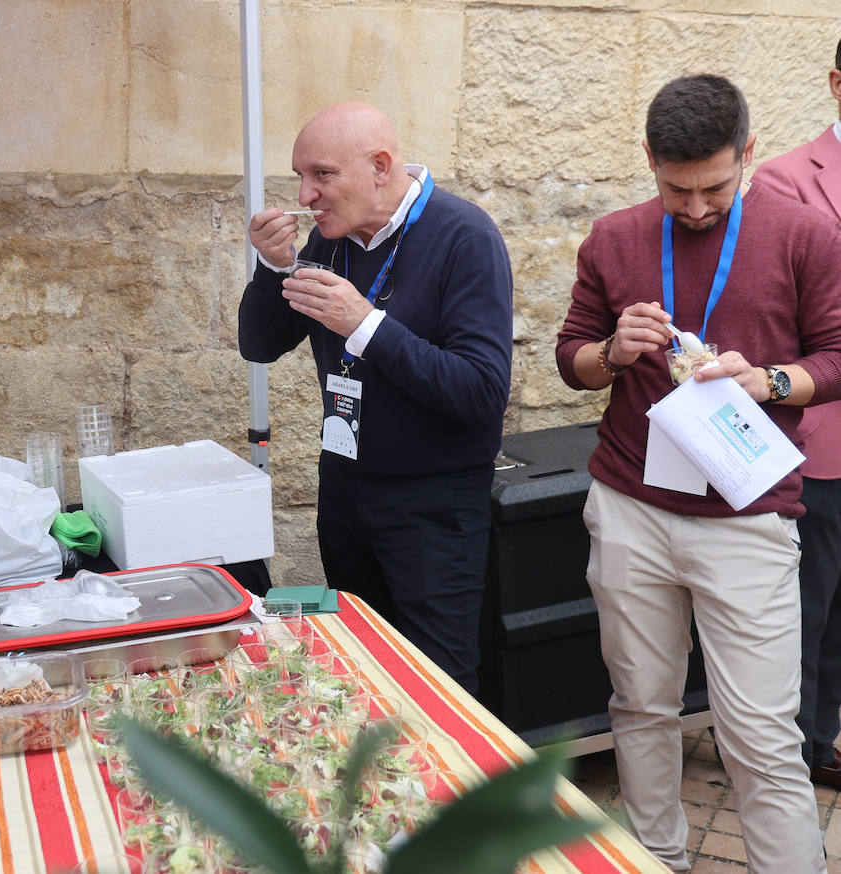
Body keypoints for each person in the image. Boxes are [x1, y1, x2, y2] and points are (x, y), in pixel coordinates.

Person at [555, 74, 841, 873]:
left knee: (760, 734)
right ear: (649, 159)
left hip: (748, 516)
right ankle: (656, 859)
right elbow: (570, 360)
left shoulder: (806, 235)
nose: (694, 207)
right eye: (675, 188)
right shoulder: (613, 237)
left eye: (714, 186)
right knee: (640, 708)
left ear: (748, 152)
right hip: (630, 507)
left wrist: (773, 382)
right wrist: (613, 350)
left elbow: (837, 356)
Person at [238, 101, 512, 694]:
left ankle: (452, 785)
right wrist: (272, 265)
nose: (306, 195)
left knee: (439, 680)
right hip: (345, 486)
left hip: (433, 503)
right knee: (364, 660)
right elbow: (259, 343)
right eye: (301, 177)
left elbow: (482, 391)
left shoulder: (463, 235)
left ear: (381, 167)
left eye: (322, 175)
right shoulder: (328, 239)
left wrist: (366, 325)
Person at [750, 38, 841, 789]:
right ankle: (796, 753)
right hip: (816, 438)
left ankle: (828, 736)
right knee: (806, 610)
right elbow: (774, 318)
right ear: (838, 83)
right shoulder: (784, 181)